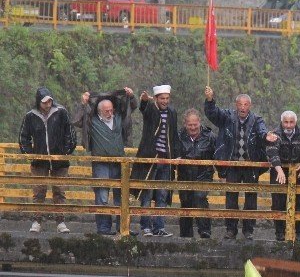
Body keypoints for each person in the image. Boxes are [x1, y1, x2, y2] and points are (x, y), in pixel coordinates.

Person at [203, 88, 277, 240]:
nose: (243, 107)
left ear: (250, 106)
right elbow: (212, 113)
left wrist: (266, 137)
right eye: (240, 104)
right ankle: (231, 230)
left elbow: (262, 132)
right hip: (233, 165)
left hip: (251, 166)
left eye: (246, 104)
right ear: (236, 105)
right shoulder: (227, 117)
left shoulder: (257, 119)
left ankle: (248, 231)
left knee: (250, 199)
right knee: (231, 198)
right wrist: (210, 100)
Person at [72, 87, 137, 235]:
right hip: (101, 163)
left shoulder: (119, 117)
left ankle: (123, 228)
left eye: (111, 110)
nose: (110, 113)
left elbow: (132, 106)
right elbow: (76, 120)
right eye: (106, 111)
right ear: (100, 111)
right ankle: (103, 228)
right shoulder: (92, 121)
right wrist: (83, 104)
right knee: (102, 196)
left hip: (119, 163)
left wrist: (131, 96)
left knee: (121, 196)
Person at [18, 87, 77, 234]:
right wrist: (31, 154)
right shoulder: (30, 116)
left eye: (50, 101)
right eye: (45, 102)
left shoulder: (61, 112)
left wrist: (66, 152)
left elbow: (70, 133)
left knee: (59, 191)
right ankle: (37, 221)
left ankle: (61, 221)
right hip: (39, 161)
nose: (48, 104)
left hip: (59, 161)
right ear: (39, 102)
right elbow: (23, 137)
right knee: (39, 192)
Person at [131, 84, 180, 237]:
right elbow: (144, 110)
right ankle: (145, 226)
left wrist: (176, 155)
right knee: (147, 193)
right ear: (156, 99)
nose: (165, 101)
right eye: (162, 98)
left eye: (167, 98)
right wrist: (145, 101)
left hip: (166, 159)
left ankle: (159, 226)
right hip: (151, 158)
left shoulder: (172, 112)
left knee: (162, 195)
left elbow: (173, 136)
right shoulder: (152, 109)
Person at [266, 110, 300, 242]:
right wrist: (279, 170)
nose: (288, 126)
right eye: (286, 122)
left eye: (291, 122)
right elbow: (272, 153)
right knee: (278, 203)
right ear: (282, 122)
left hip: (298, 172)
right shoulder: (275, 134)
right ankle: (279, 233)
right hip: (279, 171)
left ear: (295, 122)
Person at [176, 108, 216, 239]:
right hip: (184, 175)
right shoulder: (179, 136)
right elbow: (173, 153)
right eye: (190, 125)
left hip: (204, 174)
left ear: (200, 122)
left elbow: (218, 154)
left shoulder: (210, 137)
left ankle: (205, 231)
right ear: (185, 124)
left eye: (195, 124)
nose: (192, 127)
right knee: (186, 202)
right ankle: (185, 236)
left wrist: (222, 173)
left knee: (199, 197)